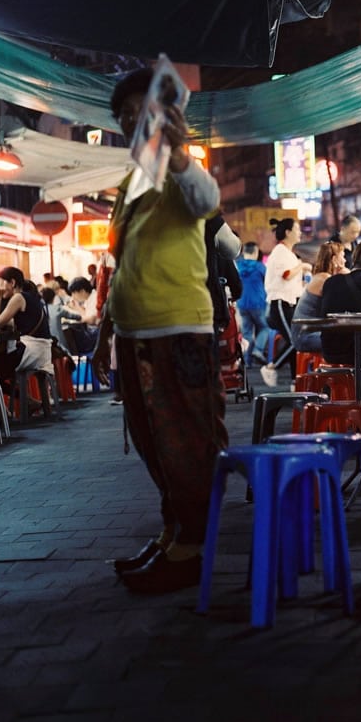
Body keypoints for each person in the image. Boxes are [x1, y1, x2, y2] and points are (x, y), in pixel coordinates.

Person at [91, 66, 228, 595]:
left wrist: (180, 152)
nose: (131, 124)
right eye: (123, 117)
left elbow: (205, 202)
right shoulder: (133, 179)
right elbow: (123, 260)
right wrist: (106, 331)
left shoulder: (175, 167)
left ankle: (194, 548)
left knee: (187, 440)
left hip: (177, 328)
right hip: (133, 331)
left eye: (138, 113)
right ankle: (174, 534)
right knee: (153, 442)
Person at [0, 267, 55, 388]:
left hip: (29, 353)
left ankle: (18, 401)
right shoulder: (31, 297)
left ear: (12, 283)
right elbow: (17, 322)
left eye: (0, 284)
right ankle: (24, 401)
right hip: (41, 352)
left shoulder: (18, 298)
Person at [262, 217, 310, 386]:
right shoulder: (280, 251)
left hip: (290, 303)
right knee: (295, 341)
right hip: (280, 303)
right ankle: (271, 366)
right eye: (297, 230)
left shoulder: (288, 253)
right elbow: (286, 274)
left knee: (294, 342)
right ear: (288, 232)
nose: (300, 233)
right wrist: (302, 266)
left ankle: (294, 381)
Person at [293, 241, 346, 354]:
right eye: (343, 256)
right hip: (306, 336)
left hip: (311, 332)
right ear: (334, 259)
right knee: (350, 343)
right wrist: (346, 275)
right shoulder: (324, 279)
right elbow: (338, 306)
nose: (345, 261)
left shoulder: (323, 277)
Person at [235, 241, 268, 367]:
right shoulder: (260, 267)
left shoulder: (238, 266)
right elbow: (268, 283)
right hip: (258, 304)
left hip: (242, 303)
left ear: (243, 252)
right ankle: (258, 350)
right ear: (255, 252)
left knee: (247, 333)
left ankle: (247, 361)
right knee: (264, 327)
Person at [60, 276, 99, 354]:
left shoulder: (95, 298)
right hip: (92, 332)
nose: (73, 296)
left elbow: (92, 320)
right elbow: (86, 313)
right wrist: (76, 307)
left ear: (82, 291)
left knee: (70, 337)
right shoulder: (90, 298)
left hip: (96, 335)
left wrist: (75, 318)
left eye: (74, 293)